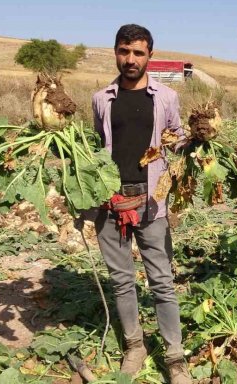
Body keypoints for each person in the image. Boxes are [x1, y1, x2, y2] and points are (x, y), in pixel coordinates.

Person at [89, 24, 191, 383]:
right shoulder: (102, 98)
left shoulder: (165, 97)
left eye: (138, 53)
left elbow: (175, 138)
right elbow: (97, 147)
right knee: (121, 281)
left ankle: (175, 358)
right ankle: (135, 345)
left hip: (152, 202)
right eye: (124, 51)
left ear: (149, 55)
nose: (130, 59)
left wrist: (197, 139)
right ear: (116, 52)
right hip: (111, 204)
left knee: (162, 281)